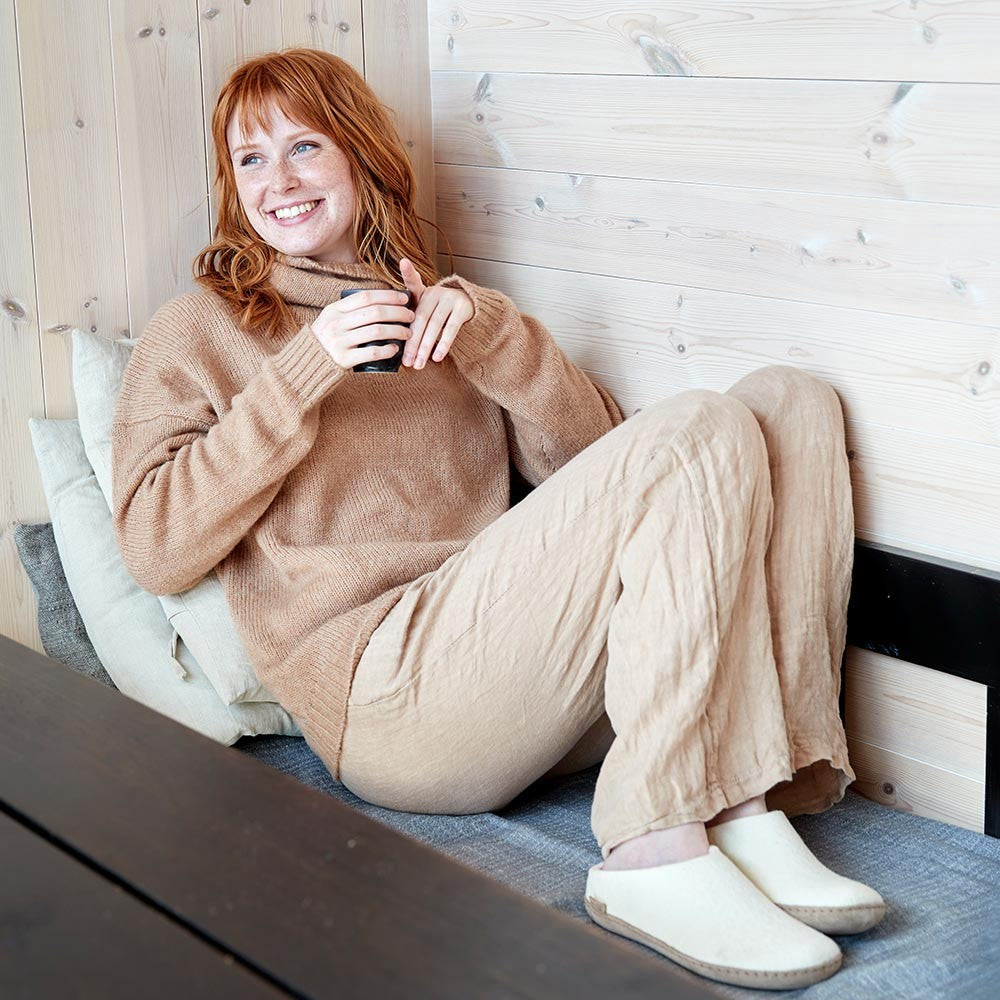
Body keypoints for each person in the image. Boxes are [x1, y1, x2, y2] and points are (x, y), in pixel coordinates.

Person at [111, 47, 886, 991]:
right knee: (696, 425)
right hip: (390, 698)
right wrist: (305, 370)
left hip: (521, 683)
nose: (278, 180)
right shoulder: (201, 328)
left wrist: (494, 338)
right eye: (250, 159)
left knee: (788, 401)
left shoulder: (436, 305)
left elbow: (593, 466)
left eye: (304, 146)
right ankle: (652, 850)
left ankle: (751, 797)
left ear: (358, 156)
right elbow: (154, 547)